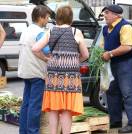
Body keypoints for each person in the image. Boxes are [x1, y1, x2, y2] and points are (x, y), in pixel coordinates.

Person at [32, 5, 89, 134]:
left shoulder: (51, 31)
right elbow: (86, 55)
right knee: (66, 109)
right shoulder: (76, 32)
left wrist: (47, 59)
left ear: (57, 17)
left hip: (53, 75)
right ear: (71, 18)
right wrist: (75, 60)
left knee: (54, 107)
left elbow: (35, 49)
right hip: (71, 76)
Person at [101, 4, 132, 133]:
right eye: (104, 13)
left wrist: (110, 54)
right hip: (114, 61)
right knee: (112, 90)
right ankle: (116, 120)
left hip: (128, 61)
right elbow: (103, 46)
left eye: (107, 13)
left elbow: (127, 47)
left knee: (127, 91)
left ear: (116, 15)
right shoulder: (105, 29)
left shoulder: (125, 27)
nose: (105, 15)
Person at [18, 5, 51, 134]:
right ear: (40, 18)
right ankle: (33, 132)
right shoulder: (40, 32)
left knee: (26, 104)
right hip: (37, 72)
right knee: (35, 106)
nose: (47, 20)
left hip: (25, 71)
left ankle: (23, 131)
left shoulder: (27, 30)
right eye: (47, 17)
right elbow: (47, 51)